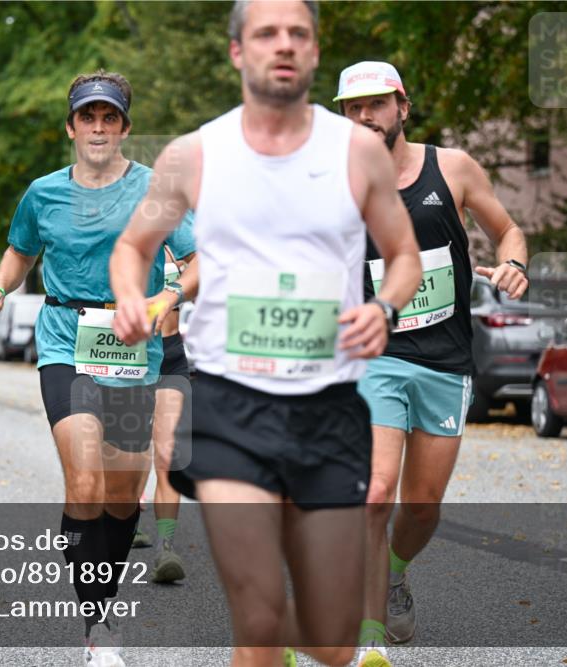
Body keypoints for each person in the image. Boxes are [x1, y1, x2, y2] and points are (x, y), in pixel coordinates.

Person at [108, 2, 423, 666]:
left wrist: (386, 309)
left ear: (313, 52)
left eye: (298, 34)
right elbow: (134, 245)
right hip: (229, 403)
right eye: (267, 34)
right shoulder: (193, 155)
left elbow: (404, 258)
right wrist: (134, 297)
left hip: (328, 408)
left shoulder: (359, 151)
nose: (284, 45)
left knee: (333, 640)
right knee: (258, 613)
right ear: (236, 52)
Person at [0, 70, 197, 666]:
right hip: (65, 338)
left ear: (124, 126)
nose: (98, 127)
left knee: (124, 492)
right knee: (86, 482)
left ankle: (101, 587)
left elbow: (200, 263)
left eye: (109, 117)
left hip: (132, 345)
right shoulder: (42, 193)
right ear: (71, 126)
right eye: (87, 117)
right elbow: (19, 255)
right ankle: (98, 627)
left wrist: (165, 300)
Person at [332, 60, 529, 666]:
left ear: (402, 106)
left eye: (377, 105)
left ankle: (395, 571)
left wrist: (514, 264)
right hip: (376, 358)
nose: (365, 117)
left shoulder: (454, 168)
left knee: (421, 506)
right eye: (353, 107)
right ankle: (365, 630)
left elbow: (509, 229)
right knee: (378, 491)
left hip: (446, 361)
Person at [132, 247, 193, 584]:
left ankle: (165, 546)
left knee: (169, 455)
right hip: (134, 356)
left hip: (171, 355)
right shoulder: (129, 239)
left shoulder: (185, 244)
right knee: (134, 452)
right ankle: (127, 523)